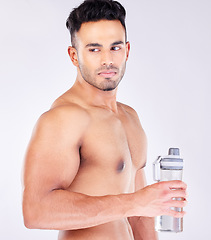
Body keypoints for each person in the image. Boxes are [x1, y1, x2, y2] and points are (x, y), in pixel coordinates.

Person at [22, 0, 187, 239]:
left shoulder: (130, 117)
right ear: (74, 56)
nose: (107, 60)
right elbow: (36, 211)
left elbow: (139, 215)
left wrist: (140, 203)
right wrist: (134, 202)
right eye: (94, 49)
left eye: (115, 47)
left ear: (127, 50)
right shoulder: (63, 118)